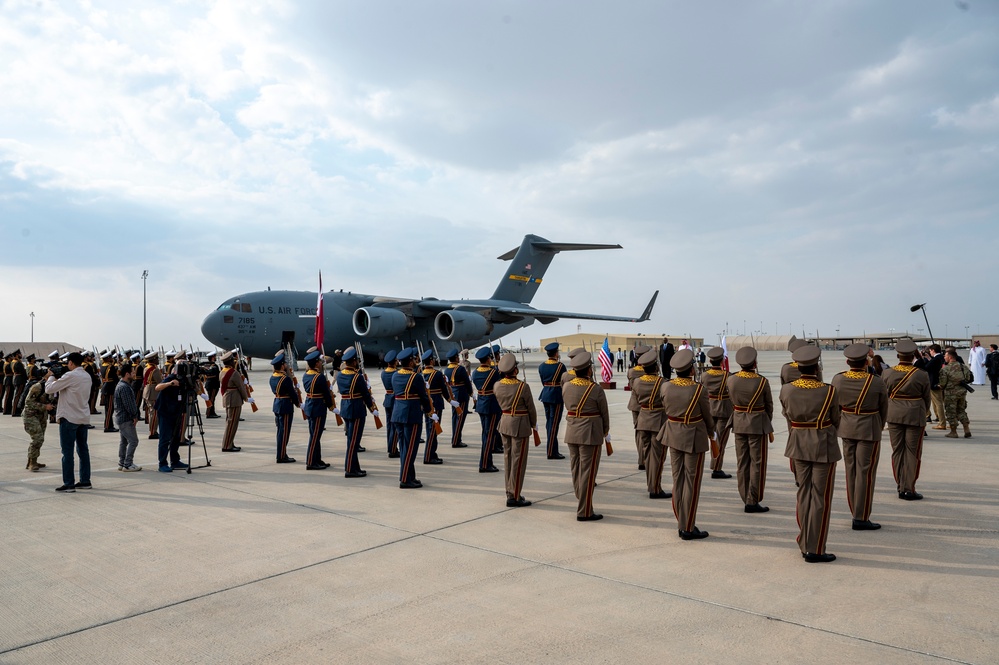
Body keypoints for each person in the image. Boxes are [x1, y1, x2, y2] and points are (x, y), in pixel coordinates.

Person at [779, 345, 840, 563]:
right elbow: (836, 420)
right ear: (817, 367)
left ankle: (804, 541)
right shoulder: (829, 390)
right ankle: (815, 548)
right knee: (820, 498)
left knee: (804, 494)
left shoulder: (786, 390)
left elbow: (787, 413)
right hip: (822, 445)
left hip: (798, 445)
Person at [830, 344, 888, 531]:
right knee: (865, 473)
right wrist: (877, 426)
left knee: (851, 471)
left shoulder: (838, 380)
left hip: (846, 428)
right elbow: (883, 409)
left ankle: (854, 508)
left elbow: (834, 407)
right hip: (869, 429)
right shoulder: (876, 381)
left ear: (847, 362)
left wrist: (841, 424)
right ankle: (861, 516)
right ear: (866, 362)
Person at [658, 349, 714, 540]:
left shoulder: (665, 387)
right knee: (691, 481)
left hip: (673, 435)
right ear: (691, 369)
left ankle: (681, 521)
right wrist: (711, 432)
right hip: (693, 437)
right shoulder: (699, 389)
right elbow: (707, 415)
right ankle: (688, 527)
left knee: (678, 480)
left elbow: (666, 408)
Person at [563, 351, 610, 522]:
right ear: (588, 370)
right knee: (588, 473)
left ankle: (582, 500)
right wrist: (605, 431)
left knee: (576, 470)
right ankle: (584, 510)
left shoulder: (567, 386)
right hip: (590, 433)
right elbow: (604, 414)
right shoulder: (595, 389)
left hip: (572, 431)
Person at [882, 339, 931, 501]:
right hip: (915, 414)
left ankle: (899, 484)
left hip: (894, 414)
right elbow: (926, 398)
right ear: (913, 356)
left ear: (898, 355)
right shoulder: (921, 374)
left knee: (897, 451)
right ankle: (908, 488)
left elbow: (883, 396)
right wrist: (923, 412)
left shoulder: (887, 373)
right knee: (913, 452)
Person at [728, 347, 772, 513]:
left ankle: (745, 495)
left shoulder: (731, 380)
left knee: (742, 462)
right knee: (757, 463)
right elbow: (769, 406)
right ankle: (752, 499)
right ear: (754, 363)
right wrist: (766, 422)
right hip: (756, 425)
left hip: (738, 423)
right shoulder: (762, 381)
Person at [44, 352, 94, 492]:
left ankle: (69, 483)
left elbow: (49, 389)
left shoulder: (70, 376)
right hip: (83, 417)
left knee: (67, 452)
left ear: (71, 362)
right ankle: (85, 481)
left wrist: (52, 375)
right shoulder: (86, 375)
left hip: (69, 417)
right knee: (83, 450)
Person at [493, 353, 538, 507]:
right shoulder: (522, 387)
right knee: (518, 461)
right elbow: (531, 409)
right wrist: (534, 423)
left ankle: (510, 491)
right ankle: (515, 496)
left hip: (505, 423)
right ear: (514, 370)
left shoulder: (497, 385)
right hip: (520, 425)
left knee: (508, 459)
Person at [391, 348, 433, 488]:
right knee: (410, 449)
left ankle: (410, 476)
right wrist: (429, 411)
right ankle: (405, 479)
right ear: (410, 361)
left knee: (404, 448)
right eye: (414, 359)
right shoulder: (415, 377)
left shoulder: (395, 375)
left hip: (397, 414)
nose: (416, 361)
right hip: (411, 415)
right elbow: (423, 396)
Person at [632, 350, 669, 500]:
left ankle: (651, 484)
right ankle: (655, 488)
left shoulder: (637, 382)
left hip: (643, 420)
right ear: (656, 367)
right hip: (658, 421)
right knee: (658, 457)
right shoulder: (663, 382)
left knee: (648, 456)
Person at [337, 347, 376, 477]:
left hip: (346, 408)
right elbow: (365, 394)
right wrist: (372, 408)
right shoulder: (357, 377)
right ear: (353, 362)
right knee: (354, 441)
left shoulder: (341, 374)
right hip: (356, 409)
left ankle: (355, 467)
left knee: (351, 440)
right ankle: (350, 469)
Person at [701, 346, 733, 480]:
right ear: (721, 361)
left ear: (710, 360)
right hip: (724, 409)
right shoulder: (727, 376)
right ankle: (717, 468)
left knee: (713, 438)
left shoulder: (704, 375)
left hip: (709, 408)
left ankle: (715, 465)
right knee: (721, 440)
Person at [302, 349, 335, 469]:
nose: (321, 363)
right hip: (318, 407)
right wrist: (331, 405)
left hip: (310, 406)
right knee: (315, 436)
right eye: (320, 362)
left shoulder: (306, 375)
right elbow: (326, 394)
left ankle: (317, 459)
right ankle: (311, 462)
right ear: (316, 363)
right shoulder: (319, 377)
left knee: (315, 435)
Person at [421, 349, 456, 465]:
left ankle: (432, 452)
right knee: (433, 430)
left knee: (429, 429)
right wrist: (450, 400)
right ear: (431, 361)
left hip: (425, 404)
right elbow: (444, 390)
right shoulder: (437, 374)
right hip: (435, 403)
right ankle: (429, 456)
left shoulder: (421, 373)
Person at [153, 363, 189, 473]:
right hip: (165, 412)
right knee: (165, 438)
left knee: (176, 437)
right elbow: (157, 387)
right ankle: (162, 463)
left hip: (176, 412)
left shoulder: (184, 380)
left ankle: (175, 460)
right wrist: (170, 383)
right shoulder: (171, 378)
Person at [472, 346, 501, 473]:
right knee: (489, 435)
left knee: (486, 434)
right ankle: (485, 464)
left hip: (481, 404)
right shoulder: (493, 372)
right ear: (489, 359)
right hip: (491, 405)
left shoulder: (475, 372)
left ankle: (486, 462)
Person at [269, 351, 301, 464]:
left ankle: (281, 453)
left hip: (277, 404)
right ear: (282, 365)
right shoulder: (285, 379)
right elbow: (292, 393)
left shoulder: (272, 377)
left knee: (280, 431)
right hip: (285, 405)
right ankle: (281, 456)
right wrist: (298, 403)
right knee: (284, 432)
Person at [537, 342, 566, 460]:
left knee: (550, 422)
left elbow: (543, 381)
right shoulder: (560, 366)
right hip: (556, 395)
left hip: (545, 394)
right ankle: (551, 451)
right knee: (554, 424)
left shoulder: (542, 366)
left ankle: (553, 449)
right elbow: (564, 381)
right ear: (556, 353)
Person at [627, 344, 653, 471]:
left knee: (639, 432)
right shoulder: (648, 370)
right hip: (649, 403)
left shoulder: (631, 371)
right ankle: (648, 458)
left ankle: (641, 459)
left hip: (635, 403)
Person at [22, 369, 53, 471]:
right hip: (30, 415)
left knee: (40, 439)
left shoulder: (54, 388)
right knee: (38, 438)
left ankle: (32, 460)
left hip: (41, 415)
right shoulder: (37, 387)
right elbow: (28, 402)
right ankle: (32, 463)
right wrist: (45, 406)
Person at [220, 351, 251, 452]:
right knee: (232, 423)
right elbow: (241, 387)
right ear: (230, 362)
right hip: (235, 399)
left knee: (229, 422)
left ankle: (229, 442)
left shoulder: (222, 371)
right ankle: (227, 445)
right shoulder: (234, 373)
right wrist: (247, 398)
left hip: (227, 398)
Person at [113, 365, 142, 472]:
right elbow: (129, 405)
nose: (135, 374)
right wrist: (135, 416)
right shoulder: (124, 387)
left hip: (121, 418)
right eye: (133, 372)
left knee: (124, 441)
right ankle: (128, 464)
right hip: (125, 418)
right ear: (127, 374)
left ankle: (122, 462)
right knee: (133, 441)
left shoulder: (122, 385)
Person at [939, 349, 973, 439]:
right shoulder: (963, 366)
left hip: (950, 393)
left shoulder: (945, 369)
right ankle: (966, 429)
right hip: (962, 392)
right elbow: (968, 378)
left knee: (951, 412)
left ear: (950, 357)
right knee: (961, 410)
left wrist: (939, 386)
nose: (944, 357)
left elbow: (942, 383)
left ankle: (953, 432)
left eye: (945, 356)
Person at [444, 348, 471, 449]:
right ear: (456, 358)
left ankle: (455, 438)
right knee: (460, 418)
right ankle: (456, 440)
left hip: (453, 394)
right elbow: (467, 382)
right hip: (462, 394)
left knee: (455, 417)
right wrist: (471, 392)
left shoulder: (447, 369)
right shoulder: (460, 369)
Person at [919, 344, 947, 429]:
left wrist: (925, 359)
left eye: (930, 351)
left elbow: (926, 367)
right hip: (939, 382)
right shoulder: (940, 358)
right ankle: (940, 420)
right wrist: (929, 358)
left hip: (934, 382)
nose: (930, 352)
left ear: (933, 350)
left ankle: (942, 422)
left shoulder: (936, 359)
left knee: (938, 403)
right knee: (938, 403)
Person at [381, 349, 400, 457]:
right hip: (395, 400)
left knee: (389, 426)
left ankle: (390, 446)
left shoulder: (384, 373)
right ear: (395, 361)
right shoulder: (396, 373)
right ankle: (393, 449)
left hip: (388, 399)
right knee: (395, 425)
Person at [99, 350, 119, 433]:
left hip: (105, 387)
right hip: (110, 388)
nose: (112, 358)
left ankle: (109, 425)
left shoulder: (102, 366)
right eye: (110, 357)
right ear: (107, 358)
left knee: (108, 409)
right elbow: (115, 378)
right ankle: (107, 426)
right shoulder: (110, 367)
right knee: (110, 409)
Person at [202, 351, 222, 418]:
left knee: (212, 399)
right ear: (212, 358)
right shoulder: (213, 366)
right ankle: (209, 413)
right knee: (211, 399)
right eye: (214, 357)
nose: (215, 358)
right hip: (212, 385)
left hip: (211, 384)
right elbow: (213, 373)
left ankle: (212, 412)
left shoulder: (208, 365)